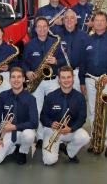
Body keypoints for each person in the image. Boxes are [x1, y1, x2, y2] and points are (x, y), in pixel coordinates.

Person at [80, 11, 107, 158]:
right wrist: (81, 81)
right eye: (96, 20)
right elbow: (83, 63)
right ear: (93, 23)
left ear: (106, 23)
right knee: (93, 111)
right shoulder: (87, 40)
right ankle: (95, 140)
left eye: (102, 20)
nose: (99, 23)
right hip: (90, 80)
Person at [23, 17, 65, 148]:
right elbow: (23, 62)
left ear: (48, 28)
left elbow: (64, 60)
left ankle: (58, 137)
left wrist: (56, 61)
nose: (41, 29)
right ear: (35, 29)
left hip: (52, 81)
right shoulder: (29, 44)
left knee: (56, 108)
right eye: (39, 27)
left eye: (44, 26)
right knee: (37, 110)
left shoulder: (55, 43)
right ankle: (40, 137)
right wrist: (27, 72)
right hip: (36, 81)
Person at [41, 66, 90, 165]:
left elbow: (82, 118)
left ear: (73, 78)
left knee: (85, 137)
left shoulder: (80, 97)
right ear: (59, 80)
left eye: (68, 77)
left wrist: (71, 128)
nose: (66, 80)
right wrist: (51, 123)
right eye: (63, 77)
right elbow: (43, 116)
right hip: (52, 131)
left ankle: (69, 151)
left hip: (69, 131)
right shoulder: (51, 96)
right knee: (49, 161)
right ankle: (56, 145)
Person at [0, 67, 37, 165]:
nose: (16, 80)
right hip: (7, 132)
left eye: (19, 77)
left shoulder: (30, 98)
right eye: (13, 77)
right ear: (10, 79)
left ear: (24, 79)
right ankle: (13, 147)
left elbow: (34, 123)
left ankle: (22, 152)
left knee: (30, 134)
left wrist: (14, 127)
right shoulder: (3, 96)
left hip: (22, 132)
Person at [53, 9, 89, 91]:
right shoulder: (56, 36)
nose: (69, 20)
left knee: (77, 101)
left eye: (72, 18)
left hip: (77, 74)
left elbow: (85, 60)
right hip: (60, 73)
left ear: (76, 21)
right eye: (66, 18)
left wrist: (82, 81)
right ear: (63, 21)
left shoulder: (84, 36)